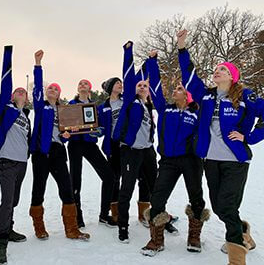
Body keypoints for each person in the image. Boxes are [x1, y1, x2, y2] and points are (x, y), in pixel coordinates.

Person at [177, 29, 264, 264]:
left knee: (226, 206)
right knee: (219, 208)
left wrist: (250, 137)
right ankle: (243, 232)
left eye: (223, 69)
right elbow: (189, 75)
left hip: (235, 161)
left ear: (232, 76)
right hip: (211, 160)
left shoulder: (247, 96)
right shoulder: (205, 96)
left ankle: (236, 257)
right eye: (216, 70)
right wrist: (182, 47)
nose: (217, 71)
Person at [140, 50, 209, 257]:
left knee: (196, 197)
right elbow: (155, 87)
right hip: (168, 161)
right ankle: (156, 241)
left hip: (191, 161)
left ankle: (194, 237)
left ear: (188, 95)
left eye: (179, 89)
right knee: (158, 198)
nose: (175, 91)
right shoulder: (165, 109)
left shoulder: (197, 112)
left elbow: (192, 79)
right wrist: (152, 62)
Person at [29, 50, 90, 241]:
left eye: (56, 89)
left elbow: (68, 133)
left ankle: (71, 229)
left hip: (57, 152)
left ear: (60, 94)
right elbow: (38, 87)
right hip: (41, 152)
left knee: (66, 187)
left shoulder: (64, 111)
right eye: (50, 88)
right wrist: (38, 64)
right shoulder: (41, 106)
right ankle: (39, 227)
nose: (52, 90)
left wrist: (66, 135)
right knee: (39, 188)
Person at [112, 41, 158, 243]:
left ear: (148, 90)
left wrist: (151, 61)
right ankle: (123, 225)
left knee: (156, 187)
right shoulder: (131, 101)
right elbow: (128, 74)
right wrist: (128, 52)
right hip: (131, 150)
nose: (141, 87)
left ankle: (159, 219)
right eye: (139, 85)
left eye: (144, 85)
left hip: (147, 151)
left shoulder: (148, 107)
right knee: (127, 188)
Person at [0, 45, 31, 264]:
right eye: (17, 92)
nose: (20, 93)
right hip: (7, 162)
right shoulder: (7, 108)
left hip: (22, 163)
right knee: (6, 201)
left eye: (23, 92)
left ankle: (9, 229)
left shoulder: (26, 116)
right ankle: (0, 244)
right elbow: (6, 81)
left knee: (13, 200)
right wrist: (7, 55)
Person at [67, 79, 116, 228]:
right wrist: (69, 130)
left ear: (90, 89)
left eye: (85, 83)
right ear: (77, 88)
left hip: (89, 144)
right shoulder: (70, 105)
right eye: (80, 83)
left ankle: (103, 214)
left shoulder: (94, 107)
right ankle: (77, 216)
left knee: (109, 176)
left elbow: (99, 127)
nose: (82, 85)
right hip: (75, 144)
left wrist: (98, 132)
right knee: (75, 180)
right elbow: (65, 126)